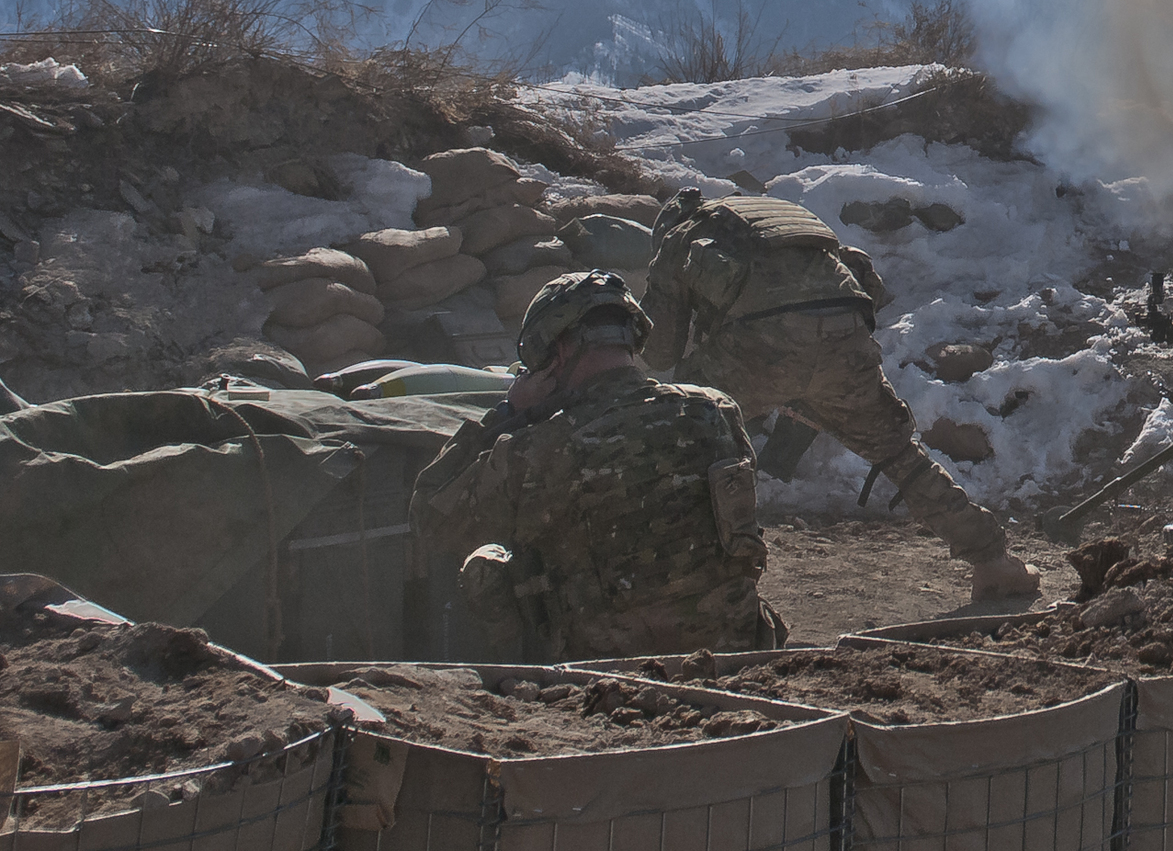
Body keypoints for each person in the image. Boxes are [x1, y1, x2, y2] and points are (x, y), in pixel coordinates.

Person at [643, 190, 1041, 599]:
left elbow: (658, 352)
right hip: (844, 340)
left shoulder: (682, 237)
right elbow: (868, 281)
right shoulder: (780, 216)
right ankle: (993, 561)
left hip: (759, 348)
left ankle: (671, 574)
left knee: (681, 439)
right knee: (900, 455)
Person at [411, 271, 779, 661]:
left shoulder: (541, 449)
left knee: (486, 572)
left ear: (559, 353)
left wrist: (506, 414)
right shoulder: (716, 410)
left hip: (606, 674)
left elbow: (430, 518)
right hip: (734, 654)